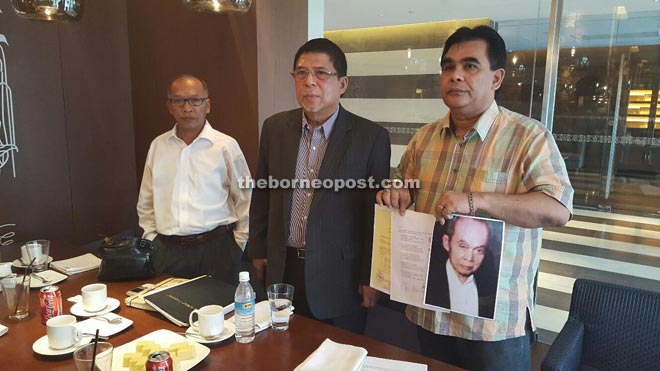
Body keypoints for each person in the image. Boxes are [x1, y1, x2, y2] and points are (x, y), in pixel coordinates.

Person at [377, 26, 574, 370]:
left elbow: (558, 210)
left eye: (470, 66)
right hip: (430, 312)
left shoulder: (528, 137)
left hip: (493, 325)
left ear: (496, 78)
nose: (455, 76)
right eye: (448, 66)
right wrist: (397, 191)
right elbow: (401, 182)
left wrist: (475, 200)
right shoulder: (424, 138)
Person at [247, 38, 391, 334]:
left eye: (321, 73)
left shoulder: (370, 137)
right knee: (280, 351)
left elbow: (374, 216)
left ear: (342, 83)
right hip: (283, 268)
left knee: (338, 355)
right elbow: (262, 193)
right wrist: (258, 250)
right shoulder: (275, 128)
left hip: (339, 275)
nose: (309, 82)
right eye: (301, 73)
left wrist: (371, 276)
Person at [136, 74, 251, 283]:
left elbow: (245, 198)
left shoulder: (225, 146)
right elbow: (146, 202)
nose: (187, 108)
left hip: (217, 250)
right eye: (178, 101)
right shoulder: (158, 146)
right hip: (167, 251)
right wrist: (151, 240)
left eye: (195, 100)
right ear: (169, 106)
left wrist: (238, 243)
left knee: (220, 313)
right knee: (168, 313)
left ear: (207, 105)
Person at [425, 217, 497, 319]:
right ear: (446, 243)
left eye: (479, 250)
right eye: (463, 246)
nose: (469, 258)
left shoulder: (490, 291)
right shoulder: (428, 281)